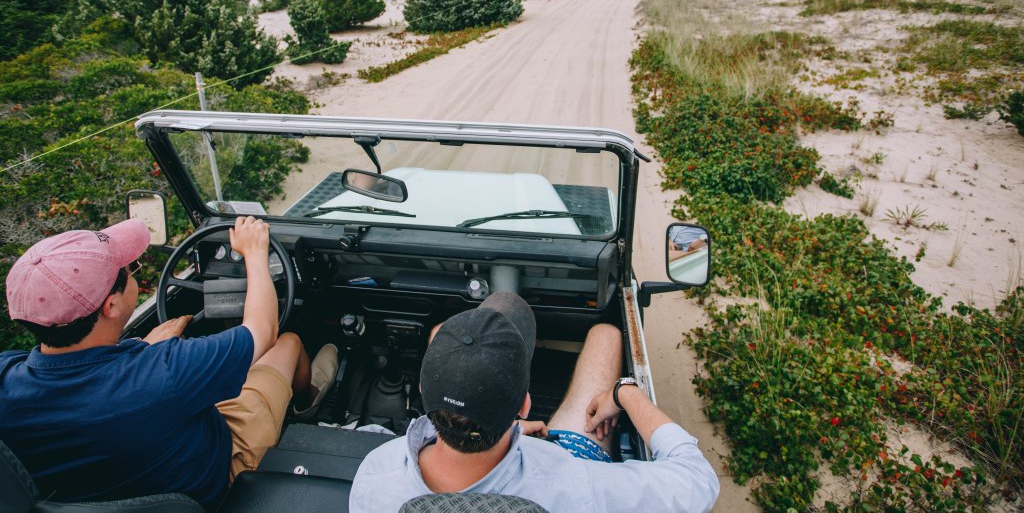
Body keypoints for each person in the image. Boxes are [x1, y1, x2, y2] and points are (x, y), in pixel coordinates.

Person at [0, 216, 339, 506]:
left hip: (131, 488)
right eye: (130, 271)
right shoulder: (164, 370)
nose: (134, 273)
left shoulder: (6, 379)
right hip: (218, 473)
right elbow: (262, 331)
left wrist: (142, 349)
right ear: (111, 306)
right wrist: (254, 254)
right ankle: (307, 405)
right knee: (289, 343)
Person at [349, 292, 719, 512]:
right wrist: (625, 393)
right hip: (559, 460)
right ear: (524, 406)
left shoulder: (375, 477)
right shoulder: (576, 486)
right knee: (605, 336)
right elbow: (699, 479)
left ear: (424, 396)